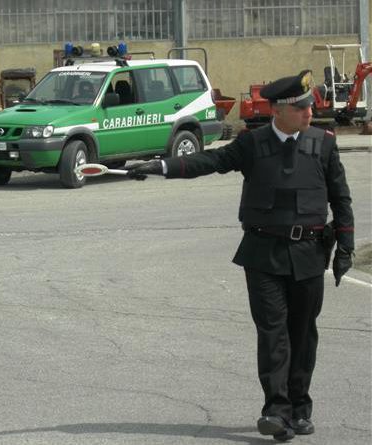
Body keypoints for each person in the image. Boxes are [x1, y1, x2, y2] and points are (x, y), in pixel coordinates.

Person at [126, 70, 354, 442]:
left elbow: (341, 199)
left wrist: (345, 246)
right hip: (263, 253)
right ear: (279, 110)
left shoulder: (324, 144)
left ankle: (300, 408)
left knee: (303, 334)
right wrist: (161, 166)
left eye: (310, 106)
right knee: (272, 334)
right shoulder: (253, 144)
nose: (310, 113)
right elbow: (209, 162)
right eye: (302, 108)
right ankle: (276, 412)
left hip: (309, 254)